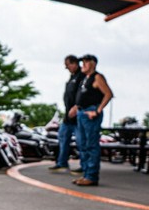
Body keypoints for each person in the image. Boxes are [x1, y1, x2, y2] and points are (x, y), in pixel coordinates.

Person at [73, 54, 113, 187]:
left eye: (86, 62)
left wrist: (97, 110)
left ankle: (92, 176)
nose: (83, 64)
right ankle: (86, 174)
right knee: (82, 145)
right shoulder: (85, 78)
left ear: (93, 63)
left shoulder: (97, 77)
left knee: (91, 145)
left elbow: (108, 94)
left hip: (90, 114)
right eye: (82, 62)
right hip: (81, 112)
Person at [48, 55, 84, 172]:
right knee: (63, 138)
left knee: (80, 141)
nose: (66, 67)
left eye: (68, 65)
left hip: (78, 115)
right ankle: (62, 162)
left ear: (74, 64)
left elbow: (83, 95)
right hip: (68, 116)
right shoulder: (72, 77)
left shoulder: (81, 77)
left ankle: (85, 165)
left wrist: (77, 107)